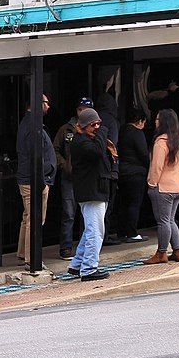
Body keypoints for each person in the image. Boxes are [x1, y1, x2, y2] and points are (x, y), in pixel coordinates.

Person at [66, 108, 115, 281]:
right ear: (83, 126)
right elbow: (98, 153)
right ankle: (88, 268)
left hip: (95, 190)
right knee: (96, 231)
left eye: (98, 124)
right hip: (90, 191)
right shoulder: (81, 142)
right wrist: (102, 131)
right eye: (93, 124)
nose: (97, 127)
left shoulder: (88, 140)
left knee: (90, 229)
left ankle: (77, 264)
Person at [144, 109, 179, 264]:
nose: (155, 121)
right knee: (170, 220)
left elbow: (157, 166)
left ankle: (161, 253)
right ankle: (177, 251)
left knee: (163, 221)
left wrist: (151, 184)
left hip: (163, 187)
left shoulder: (161, 142)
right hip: (178, 186)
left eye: (157, 119)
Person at [17, 95, 57, 264]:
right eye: (46, 103)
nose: (48, 107)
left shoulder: (29, 123)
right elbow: (36, 155)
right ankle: (32, 259)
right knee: (35, 218)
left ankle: (23, 253)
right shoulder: (32, 126)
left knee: (28, 217)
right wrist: (42, 180)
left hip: (31, 178)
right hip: (34, 179)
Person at [52, 98, 88, 259]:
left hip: (86, 177)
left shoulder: (94, 129)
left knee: (86, 214)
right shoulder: (66, 129)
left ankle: (84, 247)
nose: (82, 113)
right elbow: (55, 149)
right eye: (80, 109)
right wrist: (64, 165)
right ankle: (66, 247)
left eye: (86, 110)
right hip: (69, 177)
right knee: (69, 213)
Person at [115, 108, 150, 243]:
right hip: (136, 172)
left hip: (123, 171)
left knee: (124, 203)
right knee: (134, 203)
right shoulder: (137, 133)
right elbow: (143, 154)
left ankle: (121, 231)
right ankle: (132, 232)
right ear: (140, 121)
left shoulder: (122, 131)